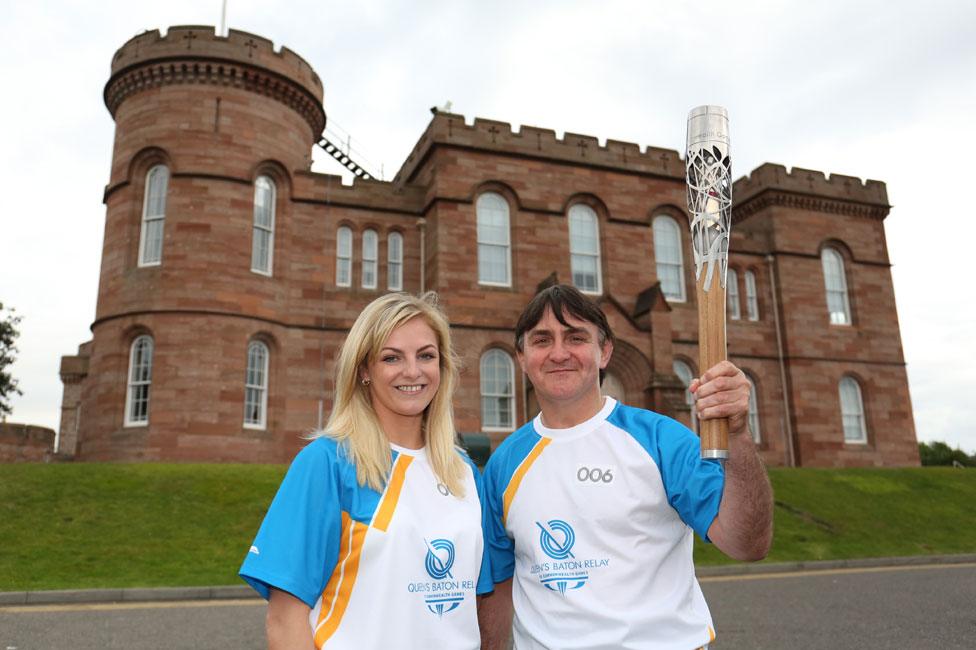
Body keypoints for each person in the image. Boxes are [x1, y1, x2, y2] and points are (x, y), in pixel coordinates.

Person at [478, 284, 773, 650]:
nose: (558, 353)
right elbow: (498, 579)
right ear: (522, 358)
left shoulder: (662, 440)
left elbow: (747, 544)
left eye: (575, 338)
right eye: (541, 340)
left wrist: (740, 436)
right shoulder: (504, 463)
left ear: (604, 352)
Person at [239, 292, 492, 649]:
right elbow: (285, 620)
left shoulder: (463, 471)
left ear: (442, 367)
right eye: (391, 357)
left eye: (426, 356)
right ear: (363, 370)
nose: (412, 371)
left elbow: (474, 607)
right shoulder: (327, 462)